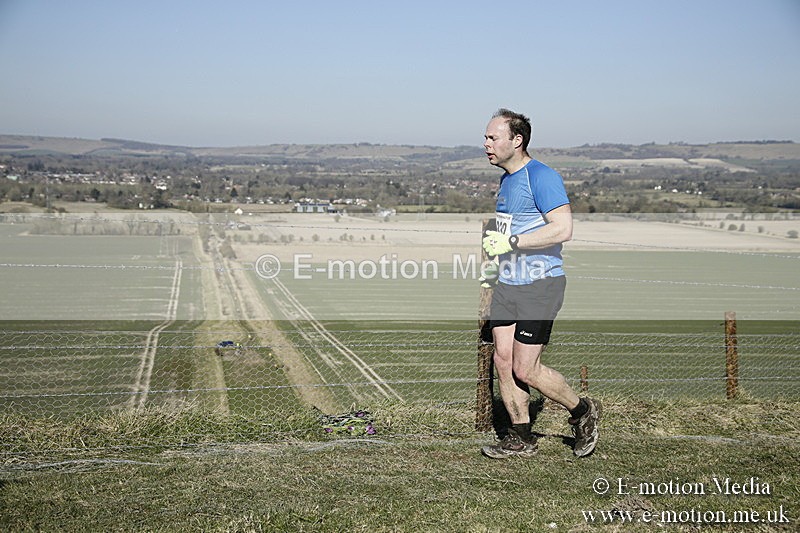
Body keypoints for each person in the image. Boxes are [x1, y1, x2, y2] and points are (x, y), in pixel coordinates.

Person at [480, 108, 601, 458]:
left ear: (516, 141)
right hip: (507, 284)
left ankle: (582, 412)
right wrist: (490, 275)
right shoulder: (506, 180)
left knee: (525, 368)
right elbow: (501, 235)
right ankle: (521, 437)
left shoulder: (542, 176)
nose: (486, 143)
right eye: (486, 137)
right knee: (503, 360)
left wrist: (512, 243)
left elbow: (563, 229)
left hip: (539, 284)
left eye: (493, 137)